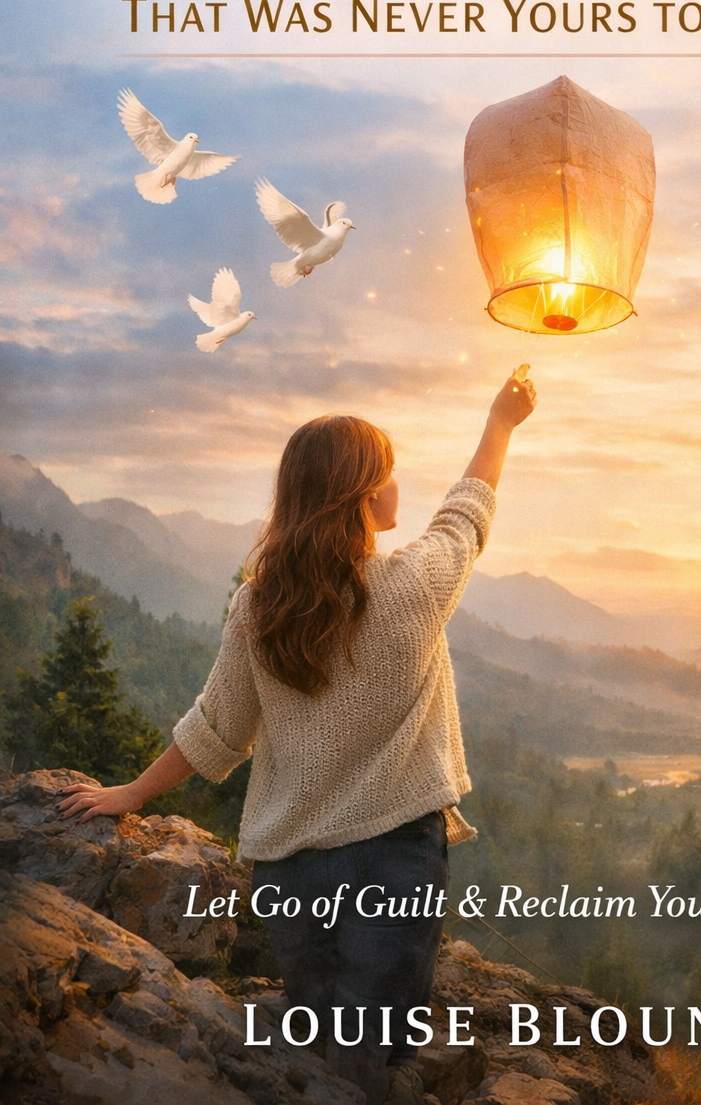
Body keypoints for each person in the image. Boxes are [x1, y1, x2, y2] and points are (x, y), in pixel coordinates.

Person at [60, 369, 537, 1105]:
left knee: (318, 1049)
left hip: (290, 875)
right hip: (394, 862)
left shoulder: (260, 605)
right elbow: (468, 511)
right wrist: (502, 422)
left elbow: (217, 729)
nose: (399, 486)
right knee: (371, 1063)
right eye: (388, 473)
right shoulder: (413, 586)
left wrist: (130, 793)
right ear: (363, 496)